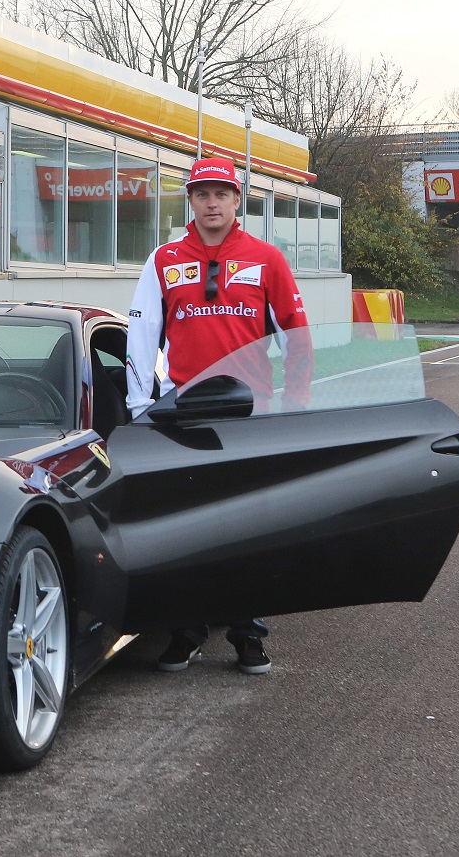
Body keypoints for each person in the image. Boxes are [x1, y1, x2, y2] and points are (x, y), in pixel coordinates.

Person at [125, 157, 313, 676]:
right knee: (186, 529)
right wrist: (143, 408)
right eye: (202, 194)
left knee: (248, 529)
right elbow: (140, 338)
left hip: (250, 417)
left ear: (237, 201)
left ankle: (248, 635)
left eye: (222, 194)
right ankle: (184, 633)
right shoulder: (163, 259)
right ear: (190, 199)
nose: (212, 203)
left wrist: (294, 407)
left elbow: (297, 340)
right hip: (184, 417)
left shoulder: (266, 259)